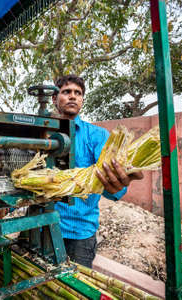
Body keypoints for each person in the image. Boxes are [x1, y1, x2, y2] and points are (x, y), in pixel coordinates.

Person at [52, 74, 144, 268]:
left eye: (78, 93)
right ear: (54, 98)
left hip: (80, 233)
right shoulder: (41, 133)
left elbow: (116, 191)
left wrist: (118, 183)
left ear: (82, 100)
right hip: (42, 225)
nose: (73, 97)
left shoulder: (97, 135)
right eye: (66, 92)